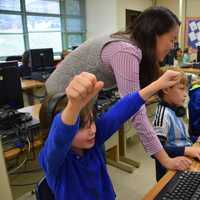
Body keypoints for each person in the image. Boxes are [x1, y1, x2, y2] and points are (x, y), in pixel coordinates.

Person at [45, 6, 191, 171]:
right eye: (171, 39)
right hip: (61, 99)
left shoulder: (134, 45)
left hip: (83, 98)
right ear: (155, 34)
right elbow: (136, 113)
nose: (173, 46)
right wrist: (166, 160)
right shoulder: (126, 51)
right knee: (71, 162)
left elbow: (130, 104)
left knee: (92, 152)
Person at [39, 70, 190, 200]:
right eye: (81, 127)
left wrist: (158, 84)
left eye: (92, 122)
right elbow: (60, 138)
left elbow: (121, 110)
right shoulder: (53, 159)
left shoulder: (93, 140)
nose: (92, 130)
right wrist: (73, 106)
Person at [153, 73, 200, 181]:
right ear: (166, 89)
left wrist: (195, 139)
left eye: (186, 90)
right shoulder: (163, 115)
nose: (185, 95)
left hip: (184, 161)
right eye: (181, 89)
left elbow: (181, 138)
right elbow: (156, 150)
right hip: (170, 171)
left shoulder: (177, 109)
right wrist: (186, 150)